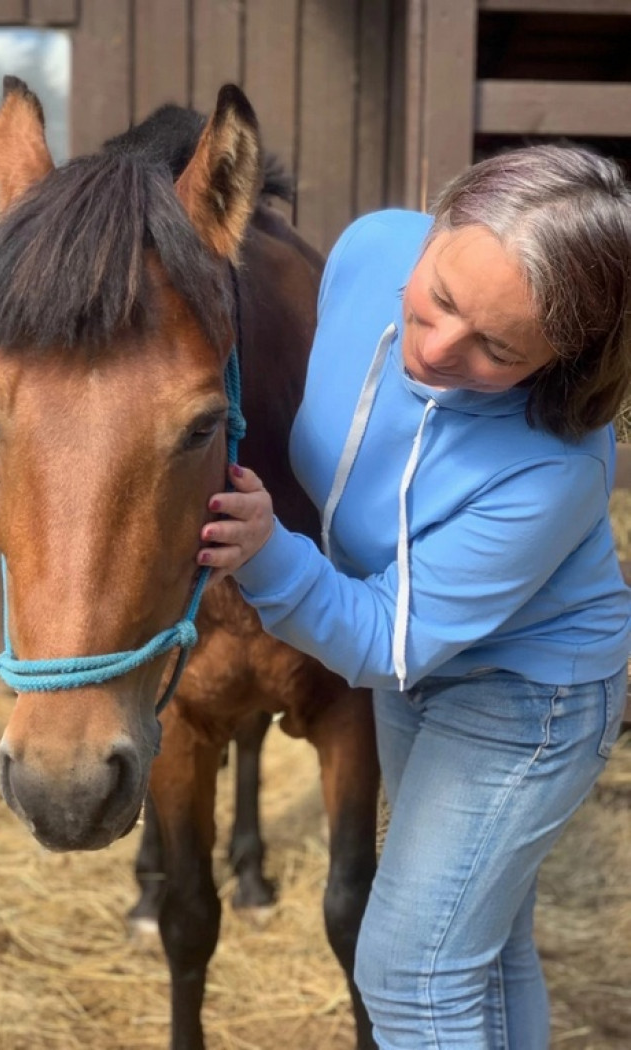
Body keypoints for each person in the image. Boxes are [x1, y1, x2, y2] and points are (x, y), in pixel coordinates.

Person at [196, 144, 631, 1049]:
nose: (435, 351)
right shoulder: (368, 249)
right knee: (482, 941)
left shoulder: (555, 467)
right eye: (437, 297)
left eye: (496, 347)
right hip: (410, 657)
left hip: (526, 691)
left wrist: (269, 553)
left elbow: (385, 639)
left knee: (410, 972)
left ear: (562, 356)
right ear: (432, 227)